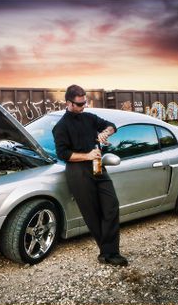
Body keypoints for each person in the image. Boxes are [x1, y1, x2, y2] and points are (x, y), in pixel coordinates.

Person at [52, 85, 128, 266]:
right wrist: (87, 155)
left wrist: (104, 133)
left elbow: (112, 126)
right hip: (77, 172)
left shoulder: (89, 117)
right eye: (79, 104)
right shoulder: (60, 127)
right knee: (92, 214)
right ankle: (109, 253)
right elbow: (63, 154)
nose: (83, 106)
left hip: (97, 166)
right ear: (68, 103)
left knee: (111, 206)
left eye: (84, 102)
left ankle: (108, 251)